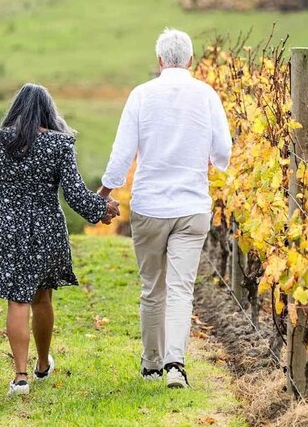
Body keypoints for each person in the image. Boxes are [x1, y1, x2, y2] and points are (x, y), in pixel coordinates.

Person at [99, 28, 232, 389]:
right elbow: (223, 154)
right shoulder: (206, 95)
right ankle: (176, 365)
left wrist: (104, 192)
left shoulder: (141, 95)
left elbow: (122, 154)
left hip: (150, 206)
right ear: (191, 61)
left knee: (152, 287)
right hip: (192, 206)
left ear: (159, 61)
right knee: (180, 288)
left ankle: (151, 364)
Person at [0, 83, 120, 397]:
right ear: (49, 112)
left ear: (15, 110)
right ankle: (41, 364)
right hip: (46, 226)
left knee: (17, 299)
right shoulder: (60, 144)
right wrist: (102, 208)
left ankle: (20, 377)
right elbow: (75, 195)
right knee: (41, 298)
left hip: (8, 226)